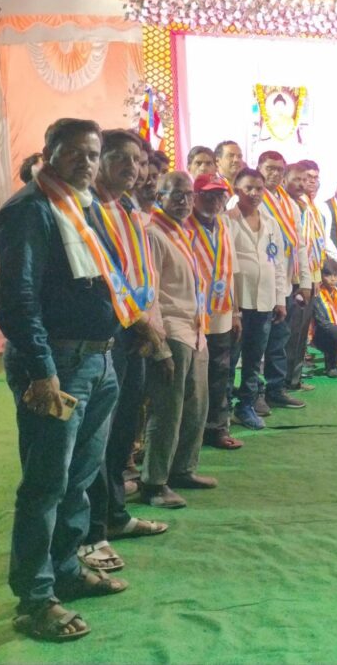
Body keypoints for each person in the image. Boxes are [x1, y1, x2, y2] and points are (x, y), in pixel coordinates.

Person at [0, 118, 152, 641]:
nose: (86, 162)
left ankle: (65, 569)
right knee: (45, 485)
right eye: (75, 153)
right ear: (49, 153)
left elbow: (105, 277)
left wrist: (133, 321)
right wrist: (41, 371)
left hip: (99, 361)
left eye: (92, 153)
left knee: (80, 478)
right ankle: (35, 599)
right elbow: (17, 300)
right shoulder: (29, 210)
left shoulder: (80, 205)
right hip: (57, 367)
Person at [81, 129, 168, 575]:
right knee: (98, 435)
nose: (133, 168)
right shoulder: (88, 208)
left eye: (138, 160)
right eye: (121, 158)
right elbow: (106, 276)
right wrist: (137, 320)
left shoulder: (128, 207)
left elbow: (141, 271)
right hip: (111, 331)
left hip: (136, 329)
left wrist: (149, 318)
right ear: (99, 160)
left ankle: (115, 513)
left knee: (123, 431)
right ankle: (91, 529)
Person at [142, 172, 217, 509]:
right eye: (177, 195)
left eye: (189, 195)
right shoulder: (153, 234)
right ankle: (154, 483)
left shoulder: (183, 232)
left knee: (196, 406)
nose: (185, 201)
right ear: (160, 197)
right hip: (171, 331)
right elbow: (151, 293)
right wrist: (159, 345)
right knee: (167, 411)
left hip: (195, 330)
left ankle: (183, 469)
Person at [227, 168, 287, 430]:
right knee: (229, 360)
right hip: (237, 304)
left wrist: (280, 299)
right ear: (236, 190)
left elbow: (278, 262)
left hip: (264, 302)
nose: (254, 193)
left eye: (258, 188)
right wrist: (231, 309)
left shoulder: (271, 223)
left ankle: (246, 406)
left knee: (254, 359)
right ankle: (221, 411)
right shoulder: (227, 220)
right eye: (248, 188)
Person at [185, 173, 241, 445]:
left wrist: (237, 311)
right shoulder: (184, 225)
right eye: (208, 195)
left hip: (221, 310)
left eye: (220, 195)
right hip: (191, 313)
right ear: (195, 197)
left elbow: (232, 270)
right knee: (193, 377)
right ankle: (190, 432)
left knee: (220, 371)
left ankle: (217, 428)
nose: (215, 201)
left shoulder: (224, 224)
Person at [256, 152, 303, 409]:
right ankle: (254, 394)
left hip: (284, 281)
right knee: (257, 343)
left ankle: (276, 388)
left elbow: (300, 244)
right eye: (269, 168)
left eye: (279, 170)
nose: (275, 174)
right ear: (259, 168)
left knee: (279, 340)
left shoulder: (290, 204)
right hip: (260, 285)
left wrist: (303, 280)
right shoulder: (251, 199)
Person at [284, 161, 322, 397]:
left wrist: (315, 275)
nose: (308, 182)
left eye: (313, 178)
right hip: (294, 276)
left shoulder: (311, 206)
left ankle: (294, 379)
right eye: (303, 178)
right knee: (290, 332)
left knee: (300, 332)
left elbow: (313, 244)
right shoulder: (288, 206)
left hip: (310, 274)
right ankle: (283, 382)